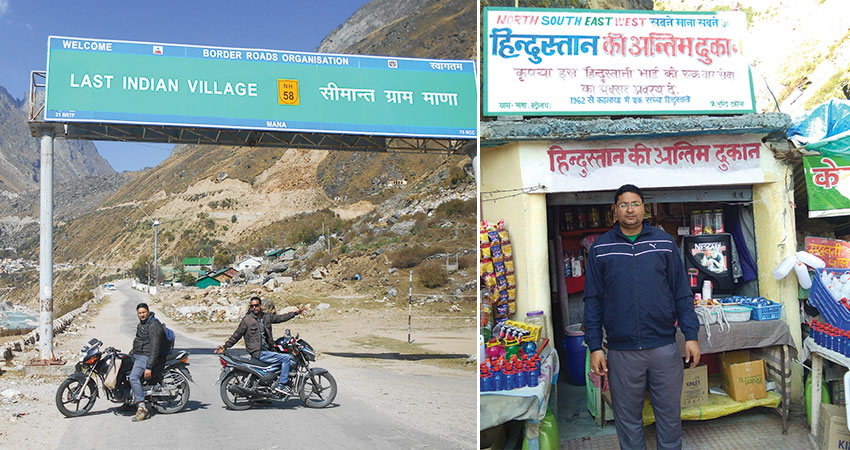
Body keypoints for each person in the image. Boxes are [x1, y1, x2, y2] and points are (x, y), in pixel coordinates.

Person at [584, 184, 700, 450]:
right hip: (622, 351)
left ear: (644, 208)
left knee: (669, 416)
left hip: (663, 347)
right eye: (623, 204)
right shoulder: (601, 249)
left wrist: (691, 335)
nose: (630, 209)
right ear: (615, 210)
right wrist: (594, 346)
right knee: (628, 420)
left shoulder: (663, 243)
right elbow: (593, 301)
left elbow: (682, 293)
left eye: (635, 203)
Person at [214, 297, 306, 395]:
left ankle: (265, 393)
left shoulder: (266, 317)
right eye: (252, 306)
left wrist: (296, 313)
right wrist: (225, 346)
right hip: (259, 352)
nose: (254, 308)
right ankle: (281, 385)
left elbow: (280, 318)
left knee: (281, 356)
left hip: (267, 350)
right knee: (286, 359)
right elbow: (237, 335)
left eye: (256, 305)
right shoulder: (247, 320)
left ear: (260, 306)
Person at [129, 302, 165, 422]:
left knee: (133, 378)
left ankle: (142, 407)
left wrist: (149, 366)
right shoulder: (142, 324)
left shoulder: (154, 325)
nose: (142, 315)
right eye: (140, 313)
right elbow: (139, 341)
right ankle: (128, 400)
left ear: (148, 312)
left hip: (146, 356)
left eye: (144, 312)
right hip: (138, 354)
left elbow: (155, 347)